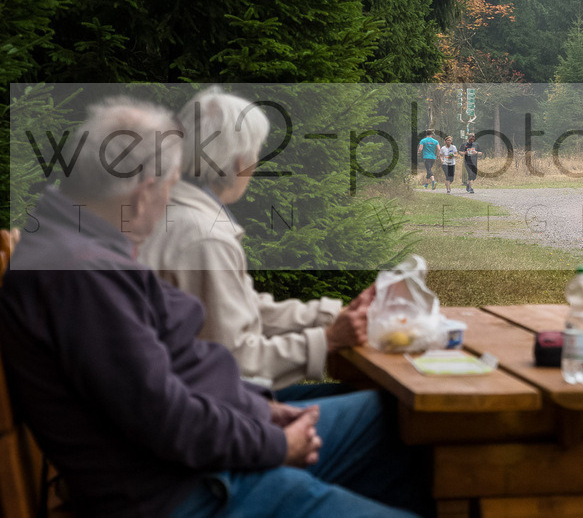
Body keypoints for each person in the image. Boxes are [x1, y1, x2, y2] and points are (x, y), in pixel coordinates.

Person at [0, 98, 430, 518]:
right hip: (190, 490)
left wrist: (258, 409)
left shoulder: (80, 244)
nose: (172, 203)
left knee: (404, 422)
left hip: (204, 454)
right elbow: (166, 416)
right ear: (144, 191)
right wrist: (276, 445)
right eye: (170, 188)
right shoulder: (84, 276)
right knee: (413, 430)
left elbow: (171, 376)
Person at [139, 88, 373, 395]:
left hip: (190, 399)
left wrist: (329, 316)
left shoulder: (172, 212)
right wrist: (327, 339)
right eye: (256, 154)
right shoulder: (203, 238)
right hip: (213, 417)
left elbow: (239, 308)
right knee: (388, 416)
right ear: (239, 162)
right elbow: (233, 362)